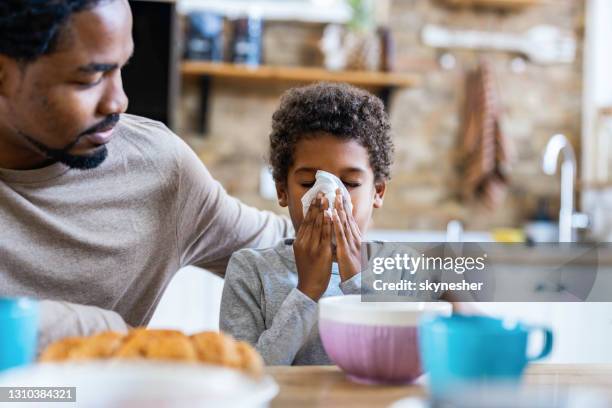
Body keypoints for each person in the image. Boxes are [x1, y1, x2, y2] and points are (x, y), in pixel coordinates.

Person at [0, 0, 292, 350]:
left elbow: (293, 252)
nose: (118, 101)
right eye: (90, 78)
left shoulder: (159, 170)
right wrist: (99, 326)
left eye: (122, 67)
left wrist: (347, 202)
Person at [220, 83, 394, 365]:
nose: (329, 198)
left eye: (350, 183)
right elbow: (245, 376)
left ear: (378, 192)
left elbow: (396, 363)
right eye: (308, 183)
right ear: (282, 191)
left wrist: (357, 283)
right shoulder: (250, 271)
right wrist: (307, 291)